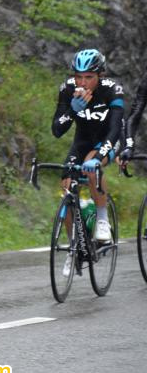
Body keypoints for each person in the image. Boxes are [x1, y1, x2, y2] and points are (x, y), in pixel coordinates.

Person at [52, 49, 123, 253]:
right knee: (66, 188)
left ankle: (102, 218)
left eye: (89, 77)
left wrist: (99, 157)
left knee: (91, 167)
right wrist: (72, 110)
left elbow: (115, 130)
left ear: (100, 76)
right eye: (78, 76)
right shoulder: (67, 89)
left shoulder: (112, 90)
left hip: (108, 140)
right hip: (82, 142)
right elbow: (57, 130)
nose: (82, 83)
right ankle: (75, 248)